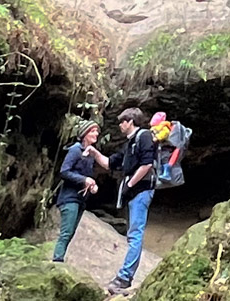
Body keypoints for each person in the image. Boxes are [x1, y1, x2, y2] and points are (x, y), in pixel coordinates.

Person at [107, 108, 156, 294]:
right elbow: (111, 162)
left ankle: (124, 278)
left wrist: (130, 184)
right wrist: (93, 152)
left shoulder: (143, 136)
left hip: (141, 191)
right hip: (135, 193)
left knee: (135, 234)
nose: (120, 125)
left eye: (122, 121)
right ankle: (124, 276)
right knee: (133, 233)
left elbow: (147, 164)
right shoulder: (129, 144)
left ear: (130, 122)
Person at [53, 119, 109, 263]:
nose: (96, 133)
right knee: (66, 232)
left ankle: (59, 258)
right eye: (92, 131)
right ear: (84, 134)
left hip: (80, 200)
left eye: (97, 131)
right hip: (69, 198)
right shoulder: (75, 150)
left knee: (70, 233)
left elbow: (86, 176)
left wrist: (91, 185)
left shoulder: (90, 154)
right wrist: (84, 180)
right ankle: (57, 260)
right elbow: (64, 171)